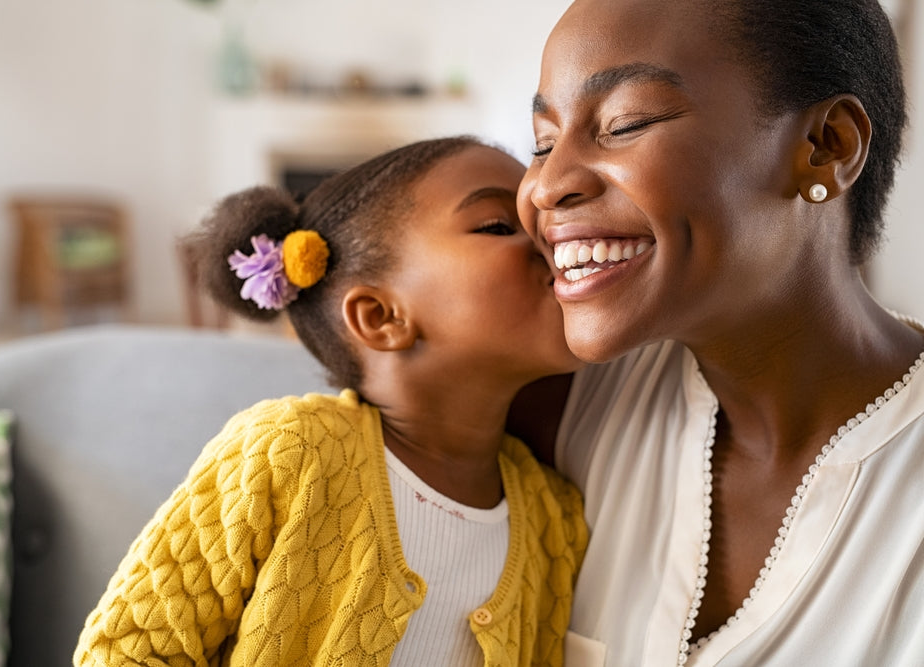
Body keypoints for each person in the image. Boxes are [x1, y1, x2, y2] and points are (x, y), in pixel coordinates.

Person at [509, 0, 924, 665]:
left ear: (827, 147)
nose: (545, 185)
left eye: (625, 123)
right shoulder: (562, 406)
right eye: (542, 140)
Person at [72, 136, 588, 667]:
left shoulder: (555, 521)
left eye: (542, 221)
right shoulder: (285, 453)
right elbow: (126, 652)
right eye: (499, 226)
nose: (553, 240)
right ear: (381, 318)